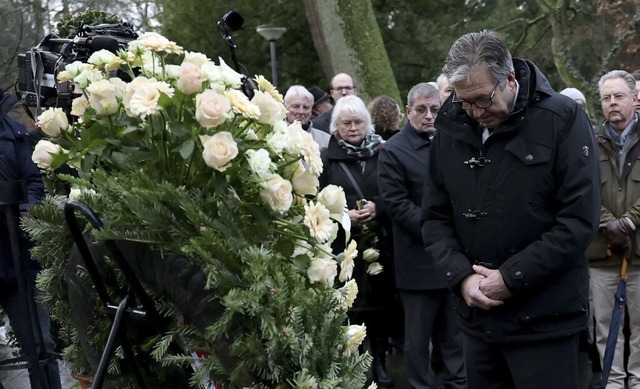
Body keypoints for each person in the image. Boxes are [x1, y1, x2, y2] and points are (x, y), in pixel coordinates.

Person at [421, 30, 600, 388]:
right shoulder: (452, 126)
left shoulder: (561, 119)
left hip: (545, 321)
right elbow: (435, 217)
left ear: (510, 79)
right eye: (464, 101)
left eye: (483, 99)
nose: (474, 111)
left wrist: (511, 278)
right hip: (478, 321)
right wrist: (462, 277)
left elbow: (578, 220)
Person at [378, 82, 466, 389]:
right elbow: (396, 205)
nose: (429, 116)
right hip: (418, 260)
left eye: (435, 109)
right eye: (421, 110)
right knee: (418, 339)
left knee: (455, 336)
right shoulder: (393, 151)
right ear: (407, 112)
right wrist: (437, 230)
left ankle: (457, 384)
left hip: (454, 259)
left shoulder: (452, 142)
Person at [319, 95, 395, 387]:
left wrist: (378, 206)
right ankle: (354, 361)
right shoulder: (327, 157)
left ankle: (380, 359)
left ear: (368, 123)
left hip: (381, 243)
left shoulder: (384, 153)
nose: (353, 128)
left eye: (358, 122)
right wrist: (344, 214)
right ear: (336, 126)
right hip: (344, 246)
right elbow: (317, 200)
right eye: (346, 123)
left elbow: (396, 191)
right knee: (351, 306)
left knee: (382, 307)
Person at [0, 90, 61, 388]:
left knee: (41, 348)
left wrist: (27, 214)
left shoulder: (14, 134)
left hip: (17, 258)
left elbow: (35, 181)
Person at [588, 69, 640, 389]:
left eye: (618, 96)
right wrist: (608, 223)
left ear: (635, 99)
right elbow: (582, 190)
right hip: (602, 252)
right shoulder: (589, 144)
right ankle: (613, 382)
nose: (612, 103)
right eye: (606, 98)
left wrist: (631, 221)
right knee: (606, 327)